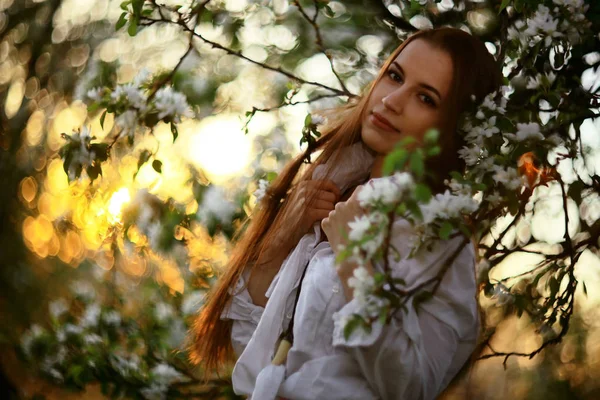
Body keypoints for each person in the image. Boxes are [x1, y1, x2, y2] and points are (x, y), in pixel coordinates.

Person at [190, 27, 503, 400]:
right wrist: (288, 228)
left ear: (454, 130)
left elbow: (412, 386)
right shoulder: (334, 184)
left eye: (425, 97)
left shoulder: (441, 241)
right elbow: (254, 352)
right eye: (395, 76)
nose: (392, 100)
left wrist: (357, 264)